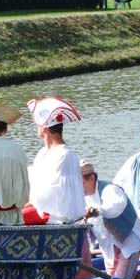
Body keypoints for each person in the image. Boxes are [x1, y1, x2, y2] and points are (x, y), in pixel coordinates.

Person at [81, 160, 140, 279]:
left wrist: (96, 210)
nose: (78, 188)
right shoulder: (83, 198)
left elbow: (116, 207)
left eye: (81, 183)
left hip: (128, 245)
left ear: (91, 179)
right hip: (108, 250)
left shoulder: (110, 190)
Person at [25, 96, 85, 225]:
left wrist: (29, 203)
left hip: (56, 215)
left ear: (44, 128)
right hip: (40, 208)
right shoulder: (43, 153)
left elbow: (52, 192)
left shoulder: (65, 155)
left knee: (14, 218)